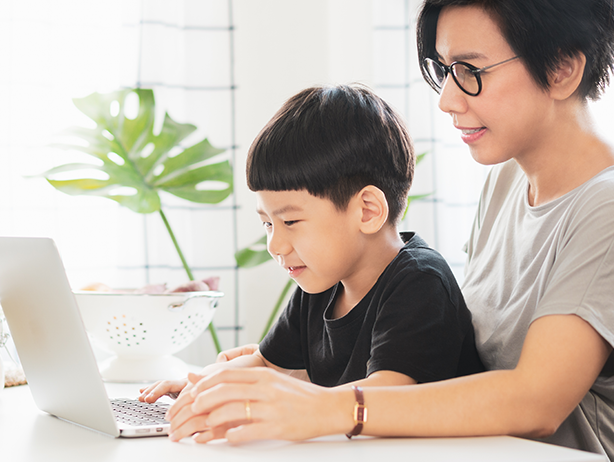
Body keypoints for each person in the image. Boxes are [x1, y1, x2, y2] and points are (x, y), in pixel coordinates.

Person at [171, 0, 614, 459]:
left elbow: (537, 401)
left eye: (469, 70)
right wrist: (256, 379)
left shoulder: (605, 207)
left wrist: (323, 407)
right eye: (444, 70)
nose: (447, 99)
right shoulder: (507, 182)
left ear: (562, 69)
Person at [140, 84, 484, 442]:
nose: (274, 244)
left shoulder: (420, 282)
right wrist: (203, 387)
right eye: (267, 224)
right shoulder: (321, 283)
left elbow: (389, 391)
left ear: (367, 211)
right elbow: (265, 363)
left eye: (290, 222)